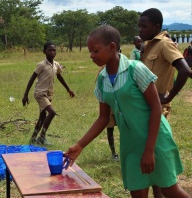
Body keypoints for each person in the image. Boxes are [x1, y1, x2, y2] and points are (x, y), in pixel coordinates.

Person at [64, 25, 190, 198]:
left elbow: (155, 107)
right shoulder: (102, 79)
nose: (91, 56)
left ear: (112, 47)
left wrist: (149, 150)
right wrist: (79, 145)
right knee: (137, 192)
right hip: (131, 145)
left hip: (155, 140)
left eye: (95, 51)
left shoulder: (135, 69)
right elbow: (103, 118)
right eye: (90, 52)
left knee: (169, 189)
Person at [139, 8, 191, 119]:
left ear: (156, 27)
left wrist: (168, 98)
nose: (140, 30)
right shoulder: (148, 45)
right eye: (139, 26)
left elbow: (185, 70)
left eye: (144, 26)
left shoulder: (164, 44)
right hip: (145, 105)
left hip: (158, 107)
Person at [22, 41, 75, 145]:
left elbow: (59, 76)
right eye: (50, 50)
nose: (52, 52)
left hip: (49, 94)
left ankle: (33, 138)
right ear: (44, 52)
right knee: (52, 113)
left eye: (54, 50)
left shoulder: (56, 65)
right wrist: (25, 95)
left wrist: (68, 89)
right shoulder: (41, 65)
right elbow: (32, 79)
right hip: (40, 93)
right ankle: (42, 137)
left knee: (42, 117)